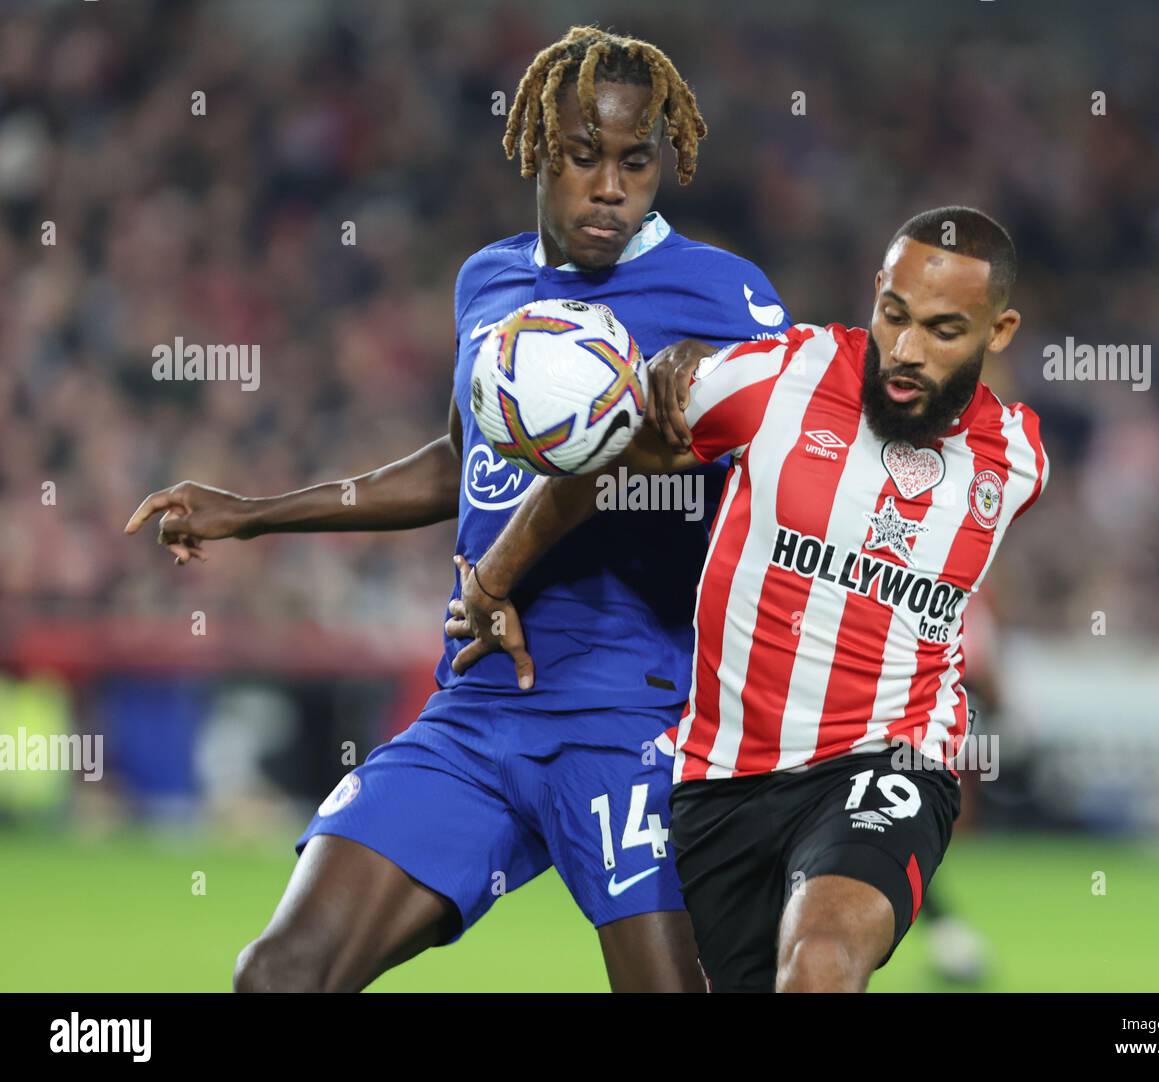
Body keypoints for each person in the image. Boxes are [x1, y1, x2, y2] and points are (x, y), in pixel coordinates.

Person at [124, 25, 789, 992]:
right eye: (582, 156)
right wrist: (257, 511)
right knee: (278, 976)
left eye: (636, 162)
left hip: (636, 718)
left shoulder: (724, 297)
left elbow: (793, 469)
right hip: (478, 707)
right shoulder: (489, 282)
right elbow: (458, 466)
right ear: (535, 149)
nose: (610, 186)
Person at [449, 206, 1049, 992]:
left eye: (943, 331)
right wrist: (494, 578)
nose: (904, 351)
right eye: (893, 315)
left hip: (888, 759)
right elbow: (607, 460)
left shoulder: (1018, 460)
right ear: (875, 292)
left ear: (997, 332)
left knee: (822, 959)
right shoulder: (781, 376)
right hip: (722, 779)